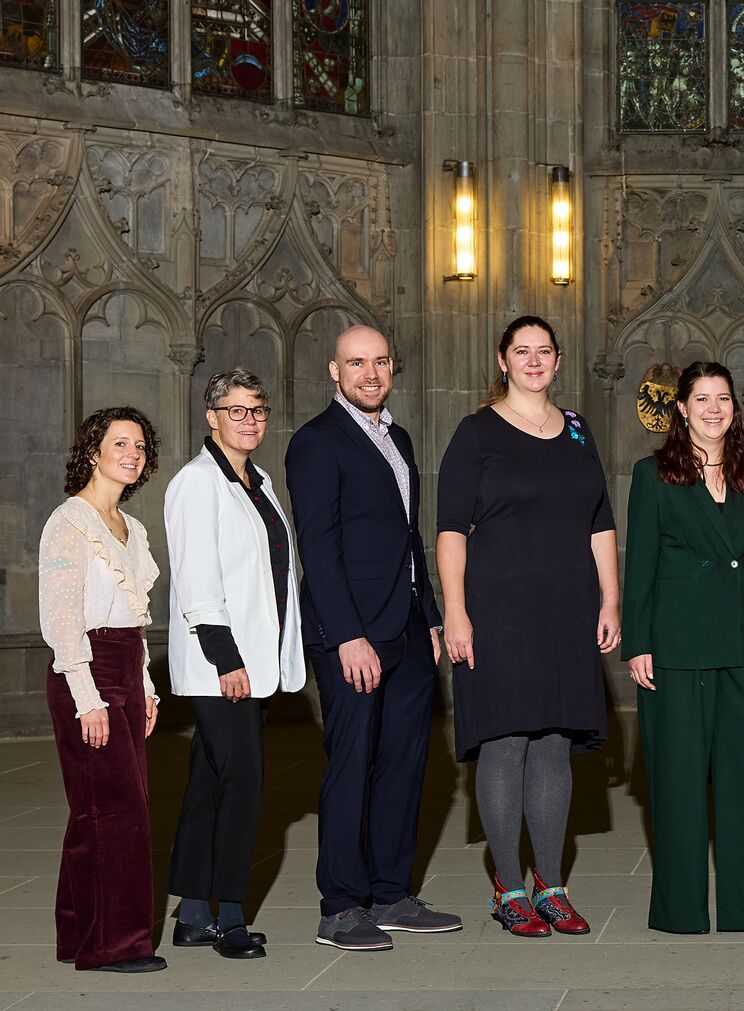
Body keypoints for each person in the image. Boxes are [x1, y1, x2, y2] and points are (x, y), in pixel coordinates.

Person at [436, 316, 618, 938]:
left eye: (544, 351)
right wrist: (455, 612)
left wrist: (611, 599)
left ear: (558, 360)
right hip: (498, 606)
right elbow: (451, 531)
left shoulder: (576, 430)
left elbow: (600, 522)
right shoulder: (476, 432)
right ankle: (509, 886)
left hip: (567, 605)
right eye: (522, 351)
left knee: (553, 746)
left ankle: (552, 884)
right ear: (503, 359)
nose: (534, 360)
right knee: (506, 741)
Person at [285, 324, 461, 951]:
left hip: (409, 631)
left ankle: (390, 894)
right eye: (356, 363)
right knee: (352, 766)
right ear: (335, 372)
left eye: (381, 361)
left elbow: (411, 538)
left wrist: (433, 617)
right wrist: (346, 636)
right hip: (355, 635)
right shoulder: (316, 443)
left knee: (404, 765)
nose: (370, 373)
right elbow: (319, 549)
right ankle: (339, 907)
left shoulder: (399, 438)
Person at [621, 361, 744, 935]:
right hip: (678, 647)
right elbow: (639, 564)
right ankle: (680, 910)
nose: (714, 408)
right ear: (682, 408)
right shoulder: (653, 475)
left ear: (734, 409)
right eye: (702, 398)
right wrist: (638, 643)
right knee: (678, 784)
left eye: (723, 398)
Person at [163, 369, 305, 959]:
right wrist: (227, 658)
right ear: (211, 417)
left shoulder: (258, 481)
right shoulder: (197, 483)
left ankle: (194, 913)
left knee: (210, 784)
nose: (250, 420)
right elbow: (197, 581)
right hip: (222, 666)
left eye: (258, 410)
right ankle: (232, 917)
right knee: (243, 785)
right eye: (237, 410)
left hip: (255, 659)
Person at [38, 406, 165, 973]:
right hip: (82, 672)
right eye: (120, 443)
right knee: (118, 812)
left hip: (123, 668)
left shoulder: (130, 528)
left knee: (96, 810)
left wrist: (146, 689)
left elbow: (131, 619)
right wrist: (88, 698)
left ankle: (76, 935)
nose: (132, 454)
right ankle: (113, 946)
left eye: (139, 446)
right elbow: (63, 619)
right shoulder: (70, 522)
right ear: (93, 451)